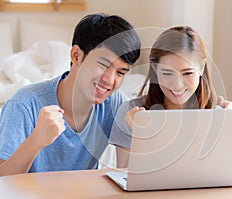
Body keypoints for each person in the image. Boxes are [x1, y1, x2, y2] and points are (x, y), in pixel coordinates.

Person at [0, 13, 141, 176]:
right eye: (103, 65)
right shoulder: (24, 104)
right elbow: (2, 182)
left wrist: (136, 138)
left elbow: (126, 176)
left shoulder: (114, 103)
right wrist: (35, 142)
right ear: (76, 56)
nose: (109, 80)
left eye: (120, 72)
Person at [109, 26, 232, 167]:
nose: (177, 85)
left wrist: (229, 125)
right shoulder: (131, 112)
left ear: (201, 68)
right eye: (167, 73)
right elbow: (125, 176)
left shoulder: (217, 115)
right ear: (154, 68)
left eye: (187, 73)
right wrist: (140, 136)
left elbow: (224, 171)